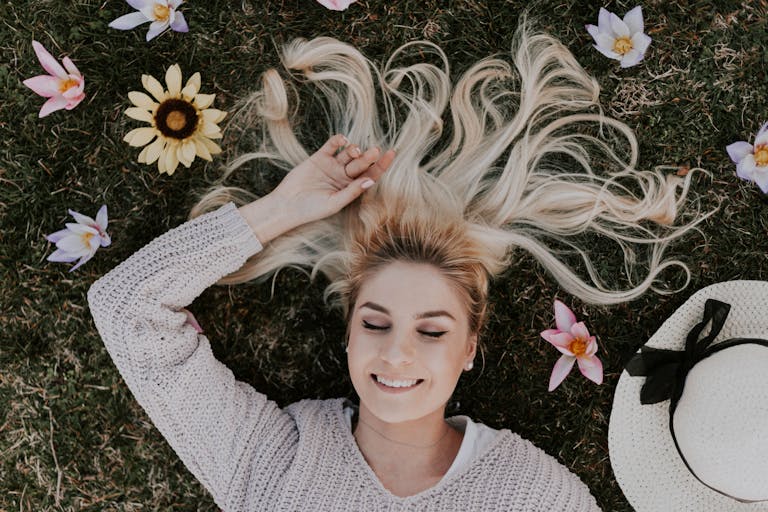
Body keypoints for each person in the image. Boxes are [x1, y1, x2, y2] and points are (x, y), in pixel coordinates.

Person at [88, 21, 707, 511]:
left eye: (432, 330)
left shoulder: (533, 496)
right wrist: (278, 210)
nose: (396, 355)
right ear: (349, 331)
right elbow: (127, 309)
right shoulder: (272, 463)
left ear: (470, 347)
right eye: (376, 323)